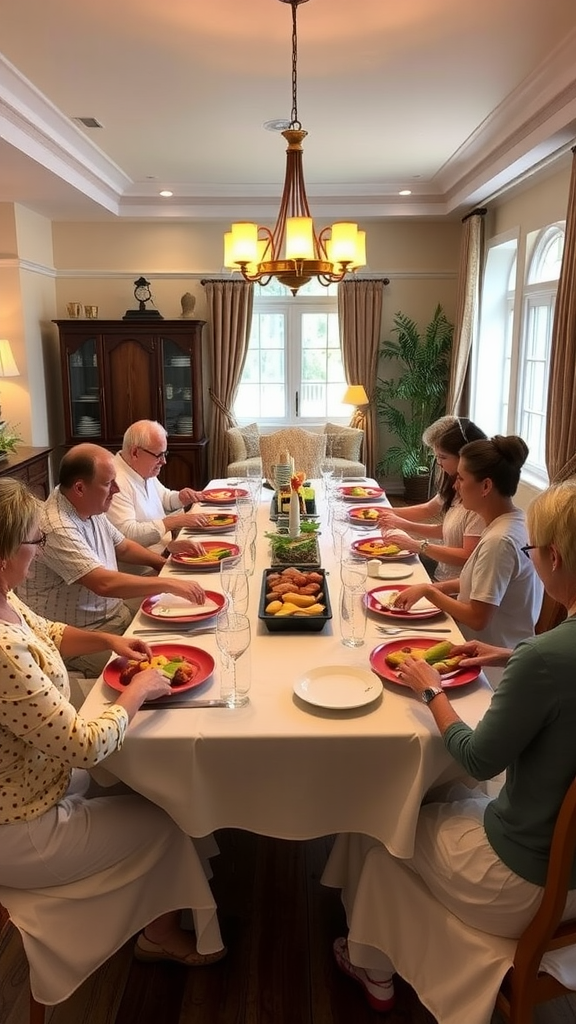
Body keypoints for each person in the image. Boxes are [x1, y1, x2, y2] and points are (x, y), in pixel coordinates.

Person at [325, 479, 576, 1024]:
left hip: (527, 882)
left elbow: (477, 760)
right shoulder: (544, 656)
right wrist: (510, 655)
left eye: (533, 553)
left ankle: (373, 966)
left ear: (554, 556)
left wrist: (430, 689)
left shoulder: (546, 658)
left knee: (377, 816)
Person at [0, 477, 225, 985]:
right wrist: (137, 692)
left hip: (40, 778)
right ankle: (157, 935)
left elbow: (49, 632)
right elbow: (82, 746)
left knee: (155, 782)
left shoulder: (6, 599)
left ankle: (169, 893)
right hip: (23, 825)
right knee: (173, 820)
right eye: (33, 543)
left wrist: (109, 641)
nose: (39, 552)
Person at [19, 444, 207, 676]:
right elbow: (103, 583)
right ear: (79, 487)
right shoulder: (56, 526)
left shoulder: (86, 504)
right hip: (83, 636)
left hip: (113, 616)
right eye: (109, 483)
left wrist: (164, 564)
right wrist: (169, 582)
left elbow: (123, 547)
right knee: (159, 672)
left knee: (187, 635)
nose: (116, 489)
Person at [390, 435, 543, 655]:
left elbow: (477, 618)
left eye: (461, 478)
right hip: (499, 645)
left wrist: (428, 591)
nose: (455, 485)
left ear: (486, 486)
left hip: (487, 659)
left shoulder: (499, 541)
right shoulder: (516, 520)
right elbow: (479, 582)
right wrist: (437, 587)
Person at [376, 415, 486, 580]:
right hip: (442, 569)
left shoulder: (477, 499)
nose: (438, 463)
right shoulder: (454, 483)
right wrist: (385, 513)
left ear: (465, 457)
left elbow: (467, 556)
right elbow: (448, 527)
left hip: (452, 581)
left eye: (442, 457)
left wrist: (416, 543)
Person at [107, 420, 211, 573]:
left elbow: (164, 498)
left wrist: (180, 497)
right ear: (135, 452)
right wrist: (173, 522)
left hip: (166, 552)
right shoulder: (115, 482)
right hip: (145, 571)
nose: (164, 461)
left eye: (165, 454)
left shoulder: (140, 468)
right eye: (159, 455)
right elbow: (126, 536)